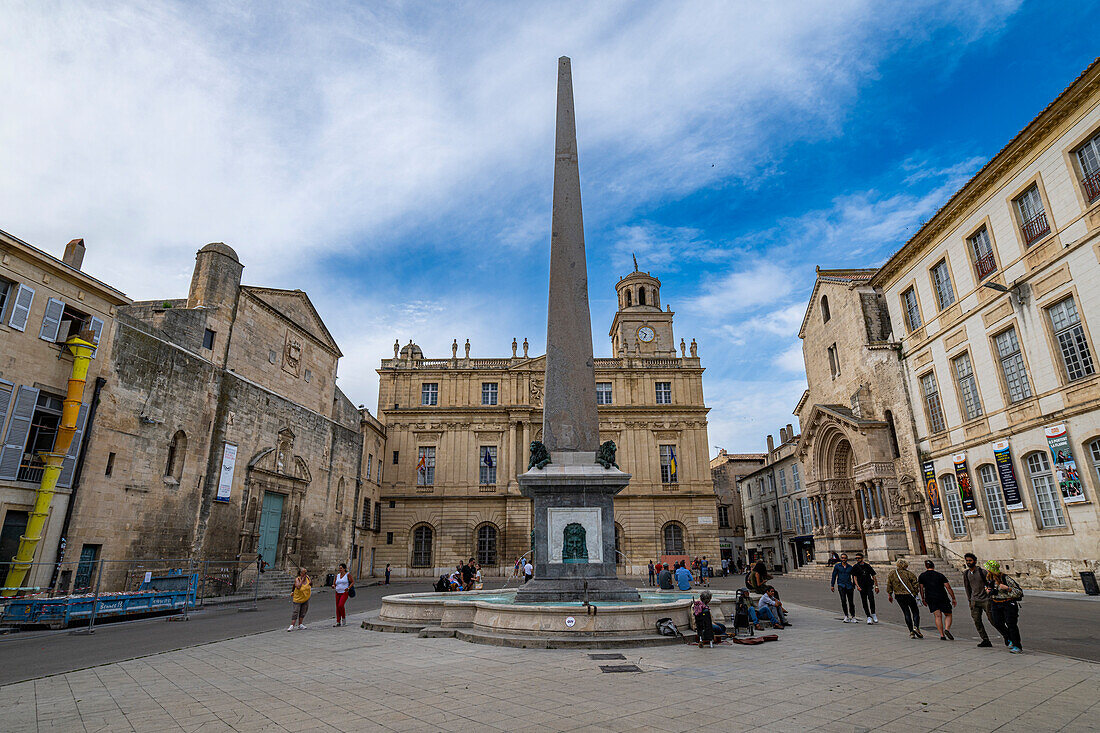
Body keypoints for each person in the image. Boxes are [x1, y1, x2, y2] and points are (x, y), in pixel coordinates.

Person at [984, 560, 1023, 654]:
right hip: (995, 603)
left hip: (1008, 603)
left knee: (1011, 625)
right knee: (997, 622)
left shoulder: (1005, 578)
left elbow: (1018, 592)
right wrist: (988, 591)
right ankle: (1008, 637)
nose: (987, 571)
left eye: (988, 569)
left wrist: (1007, 588)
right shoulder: (989, 579)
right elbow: (988, 590)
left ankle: (1017, 645)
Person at [917, 560, 957, 640]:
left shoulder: (922, 576)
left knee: (937, 616)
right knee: (948, 614)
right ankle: (947, 629)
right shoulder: (940, 575)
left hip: (930, 598)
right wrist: (953, 598)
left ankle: (942, 635)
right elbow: (948, 587)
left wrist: (923, 598)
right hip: (942, 597)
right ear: (933, 566)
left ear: (926, 566)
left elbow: (921, 588)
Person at [886, 559, 923, 639]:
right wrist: (915, 593)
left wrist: (890, 594)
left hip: (899, 596)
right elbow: (915, 585)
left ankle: (911, 632)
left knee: (906, 612)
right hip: (909, 595)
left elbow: (889, 584)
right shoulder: (909, 574)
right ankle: (916, 627)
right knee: (915, 611)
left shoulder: (892, 574)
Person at [963, 553, 994, 648]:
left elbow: (991, 583)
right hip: (974, 600)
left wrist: (990, 592)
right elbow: (967, 588)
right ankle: (985, 639)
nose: (968, 562)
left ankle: (1007, 637)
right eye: (967, 561)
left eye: (970, 561)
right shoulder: (966, 573)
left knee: (993, 620)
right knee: (977, 620)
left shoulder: (982, 572)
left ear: (975, 561)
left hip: (986, 600)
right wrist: (969, 601)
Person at [851, 552, 879, 624]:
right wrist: (857, 586)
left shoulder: (867, 566)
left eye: (859, 558)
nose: (857, 559)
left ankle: (873, 613)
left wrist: (876, 586)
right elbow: (854, 577)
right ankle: (868, 616)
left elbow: (873, 575)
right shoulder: (855, 567)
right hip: (861, 586)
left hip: (869, 584)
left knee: (871, 598)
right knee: (864, 601)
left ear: (862, 558)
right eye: (856, 558)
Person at [830, 553, 857, 623]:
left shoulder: (850, 567)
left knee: (851, 602)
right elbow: (834, 576)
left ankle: (853, 616)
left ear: (846, 559)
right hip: (841, 585)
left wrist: (854, 585)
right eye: (842, 558)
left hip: (849, 586)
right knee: (843, 600)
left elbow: (854, 577)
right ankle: (846, 616)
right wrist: (832, 585)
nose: (843, 559)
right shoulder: (837, 566)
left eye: (845, 558)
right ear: (840, 559)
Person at [333, 563, 354, 627]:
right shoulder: (337, 576)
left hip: (344, 592)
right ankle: (338, 621)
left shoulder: (347, 575)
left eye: (341, 568)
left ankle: (343, 618)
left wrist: (348, 588)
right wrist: (333, 586)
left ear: (344, 569)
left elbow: (352, 582)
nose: (340, 569)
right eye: (339, 568)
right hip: (337, 592)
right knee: (337, 607)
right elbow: (334, 583)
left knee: (341, 605)